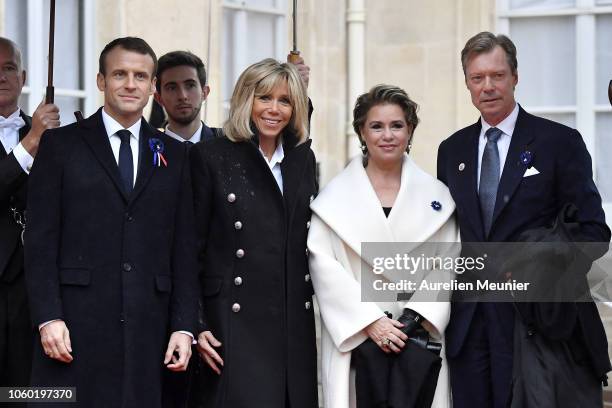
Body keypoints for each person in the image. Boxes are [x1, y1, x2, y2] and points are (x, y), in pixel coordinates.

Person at [437, 31, 611, 408]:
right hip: (469, 326)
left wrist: (538, 264)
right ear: (466, 83)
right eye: (477, 78)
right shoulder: (451, 151)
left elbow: (594, 231)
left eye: (497, 75)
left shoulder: (559, 142)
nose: (488, 87)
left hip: (535, 324)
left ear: (515, 76)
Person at [24, 37, 199, 408]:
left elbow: (184, 250)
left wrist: (184, 326)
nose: (130, 84)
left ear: (153, 87)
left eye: (140, 76)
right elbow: (40, 242)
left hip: (149, 332)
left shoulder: (177, 155)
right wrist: (48, 317)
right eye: (120, 74)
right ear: (102, 81)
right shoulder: (60, 145)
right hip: (73, 327)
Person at [307, 84, 457, 408]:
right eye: (376, 126)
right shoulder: (332, 200)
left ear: (410, 130)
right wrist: (370, 322)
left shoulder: (439, 198)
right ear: (362, 131)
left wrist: (413, 319)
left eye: (396, 125)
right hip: (356, 343)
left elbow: (448, 262)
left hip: (418, 341)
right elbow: (322, 265)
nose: (387, 135)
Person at [189, 58, 318, 408]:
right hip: (231, 326)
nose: (274, 109)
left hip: (293, 326)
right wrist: (195, 323)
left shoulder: (302, 160)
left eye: (285, 101)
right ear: (247, 100)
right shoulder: (211, 156)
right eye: (265, 98)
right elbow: (189, 249)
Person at [0, 37, 60, 394]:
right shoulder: (37, 136)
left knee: (28, 392)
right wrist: (30, 143)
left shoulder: (53, 136)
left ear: (22, 77)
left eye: (8, 68)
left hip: (35, 288)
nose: (1, 76)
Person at [154, 50, 311, 145]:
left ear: (205, 92)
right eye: (172, 88)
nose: (182, 96)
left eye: (190, 85)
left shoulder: (232, 142)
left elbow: (284, 142)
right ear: (158, 97)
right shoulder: (147, 150)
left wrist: (297, 88)